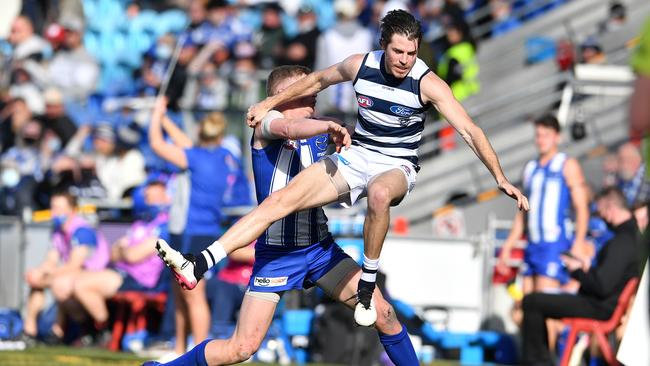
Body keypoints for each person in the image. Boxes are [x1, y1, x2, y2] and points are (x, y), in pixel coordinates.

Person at [157, 9, 528, 328]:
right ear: (383, 45)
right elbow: (316, 80)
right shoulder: (359, 65)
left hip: (397, 163)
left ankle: (367, 283)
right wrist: (271, 100)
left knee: (381, 194)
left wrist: (500, 177)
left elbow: (469, 129)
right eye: (398, 51)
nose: (404, 60)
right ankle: (199, 264)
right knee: (280, 200)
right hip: (359, 155)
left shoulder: (427, 82)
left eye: (411, 53)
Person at [146, 64, 419, 366]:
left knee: (385, 314)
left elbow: (362, 147)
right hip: (276, 255)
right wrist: (329, 127)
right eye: (305, 91)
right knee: (241, 348)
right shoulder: (267, 122)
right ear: (281, 96)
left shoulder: (323, 125)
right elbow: (289, 129)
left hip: (320, 250)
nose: (315, 93)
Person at [149, 98, 246, 357]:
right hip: (201, 233)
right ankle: (180, 350)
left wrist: (154, 119)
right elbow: (186, 144)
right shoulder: (223, 156)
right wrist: (163, 115)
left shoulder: (194, 157)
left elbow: (156, 144)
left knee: (193, 295)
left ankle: (197, 352)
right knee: (180, 294)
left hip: (191, 234)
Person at [521, 187, 640, 364]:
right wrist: (585, 269)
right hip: (601, 304)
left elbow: (602, 287)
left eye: (601, 212)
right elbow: (606, 279)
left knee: (532, 302)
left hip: (600, 308)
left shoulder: (623, 241)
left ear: (610, 208)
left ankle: (537, 362)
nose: (602, 218)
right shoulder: (629, 238)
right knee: (535, 301)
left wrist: (576, 271)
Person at [497, 115, 589, 295]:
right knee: (525, 308)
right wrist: (508, 246)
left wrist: (578, 243)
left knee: (544, 305)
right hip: (532, 245)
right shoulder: (530, 168)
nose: (541, 140)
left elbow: (582, 208)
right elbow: (523, 213)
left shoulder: (567, 164)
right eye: (538, 135)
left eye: (546, 135)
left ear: (557, 137)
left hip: (554, 245)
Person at [72, 179, 170, 337]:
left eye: (155, 197)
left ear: (167, 197)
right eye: (148, 197)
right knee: (70, 282)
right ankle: (85, 332)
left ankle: (102, 331)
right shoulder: (140, 223)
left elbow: (133, 256)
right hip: (122, 271)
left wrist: (124, 251)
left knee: (80, 285)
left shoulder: (165, 226)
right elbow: (114, 253)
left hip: (141, 280)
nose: (150, 201)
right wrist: (126, 252)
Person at [23, 191, 110, 342]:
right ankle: (30, 331)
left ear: (72, 210)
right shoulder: (58, 231)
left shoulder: (82, 230)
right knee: (37, 281)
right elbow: (51, 261)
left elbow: (75, 266)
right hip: (74, 276)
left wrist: (46, 276)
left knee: (59, 284)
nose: (55, 212)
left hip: (94, 275)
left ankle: (83, 330)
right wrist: (39, 272)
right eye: (53, 207)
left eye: (59, 208)